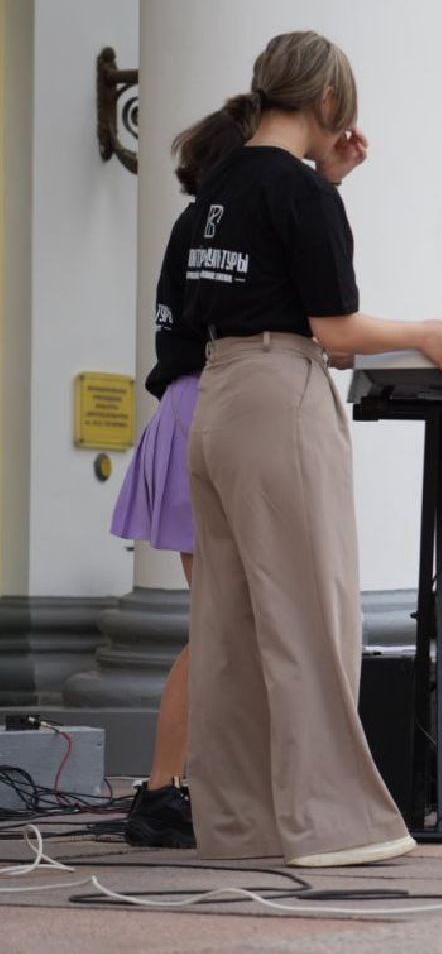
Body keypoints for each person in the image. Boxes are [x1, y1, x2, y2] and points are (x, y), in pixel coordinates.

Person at [177, 30, 442, 866]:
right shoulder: (302, 197)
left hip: (219, 396)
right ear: (330, 104)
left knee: (230, 627)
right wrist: (424, 332)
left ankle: (239, 828)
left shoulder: (220, 183)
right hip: (280, 393)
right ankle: (333, 825)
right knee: (311, 614)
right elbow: (335, 330)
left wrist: (328, 180)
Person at [109, 193, 211, 848]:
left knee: (223, 624)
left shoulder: (196, 224)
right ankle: (160, 787)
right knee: (221, 626)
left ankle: (173, 785)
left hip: (192, 409)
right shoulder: (214, 225)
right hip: (204, 412)